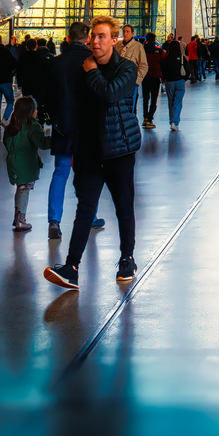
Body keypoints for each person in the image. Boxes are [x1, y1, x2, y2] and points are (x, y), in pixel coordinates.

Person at [43, 16, 142, 290]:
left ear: (114, 40)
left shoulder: (126, 68)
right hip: (88, 150)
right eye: (93, 37)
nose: (95, 42)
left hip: (119, 150)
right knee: (85, 208)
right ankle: (71, 267)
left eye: (101, 37)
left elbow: (110, 94)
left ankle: (127, 258)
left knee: (123, 206)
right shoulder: (82, 67)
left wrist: (90, 71)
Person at [41, 22, 103, 240]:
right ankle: (91, 216)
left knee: (60, 172)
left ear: (68, 38)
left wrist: (54, 117)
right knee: (87, 173)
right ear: (87, 39)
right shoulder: (93, 61)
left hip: (62, 125)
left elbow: (46, 95)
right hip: (88, 127)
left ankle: (54, 221)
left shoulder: (55, 63)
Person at [3, 96, 48, 231]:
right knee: (25, 190)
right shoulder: (32, 126)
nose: (37, 111)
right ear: (30, 111)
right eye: (35, 109)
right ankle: (21, 220)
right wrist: (57, 140)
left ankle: (17, 217)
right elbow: (42, 143)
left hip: (13, 163)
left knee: (20, 188)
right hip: (26, 164)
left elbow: (7, 143)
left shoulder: (12, 126)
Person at [117, 24, 149, 126]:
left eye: (128, 32)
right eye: (124, 31)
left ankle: (131, 128)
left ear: (132, 33)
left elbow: (143, 65)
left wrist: (136, 81)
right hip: (118, 82)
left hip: (131, 83)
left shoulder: (138, 47)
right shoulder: (117, 45)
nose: (125, 33)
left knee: (131, 108)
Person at [160, 35, 186, 131]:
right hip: (180, 82)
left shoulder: (165, 59)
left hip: (169, 82)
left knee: (170, 102)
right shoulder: (182, 58)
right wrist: (184, 79)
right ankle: (175, 121)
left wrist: (164, 78)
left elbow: (163, 70)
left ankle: (172, 121)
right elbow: (187, 71)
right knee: (178, 102)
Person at [140, 30, 162, 129]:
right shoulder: (159, 50)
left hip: (145, 77)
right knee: (154, 99)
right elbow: (162, 63)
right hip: (156, 77)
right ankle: (150, 118)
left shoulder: (143, 50)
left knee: (145, 98)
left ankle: (145, 117)